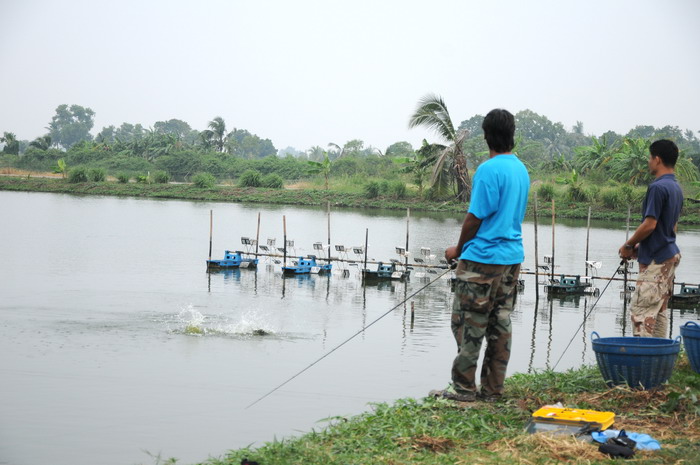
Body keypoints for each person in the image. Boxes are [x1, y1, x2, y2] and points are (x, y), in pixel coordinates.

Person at [430, 109, 530, 402]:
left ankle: (463, 389)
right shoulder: (521, 169)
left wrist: (457, 250)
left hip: (482, 259)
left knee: (468, 323)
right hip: (511, 260)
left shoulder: (489, 169)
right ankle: (493, 390)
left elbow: (475, 218)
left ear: (487, 136)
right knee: (500, 324)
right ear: (512, 134)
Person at [618, 139, 683, 338]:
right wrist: (642, 247)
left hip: (656, 260)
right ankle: (660, 362)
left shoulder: (657, 187)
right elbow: (671, 226)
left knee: (641, 313)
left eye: (650, 158)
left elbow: (650, 224)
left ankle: (642, 363)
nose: (648, 162)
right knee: (659, 311)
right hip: (669, 255)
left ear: (657, 159)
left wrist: (628, 245)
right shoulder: (676, 187)